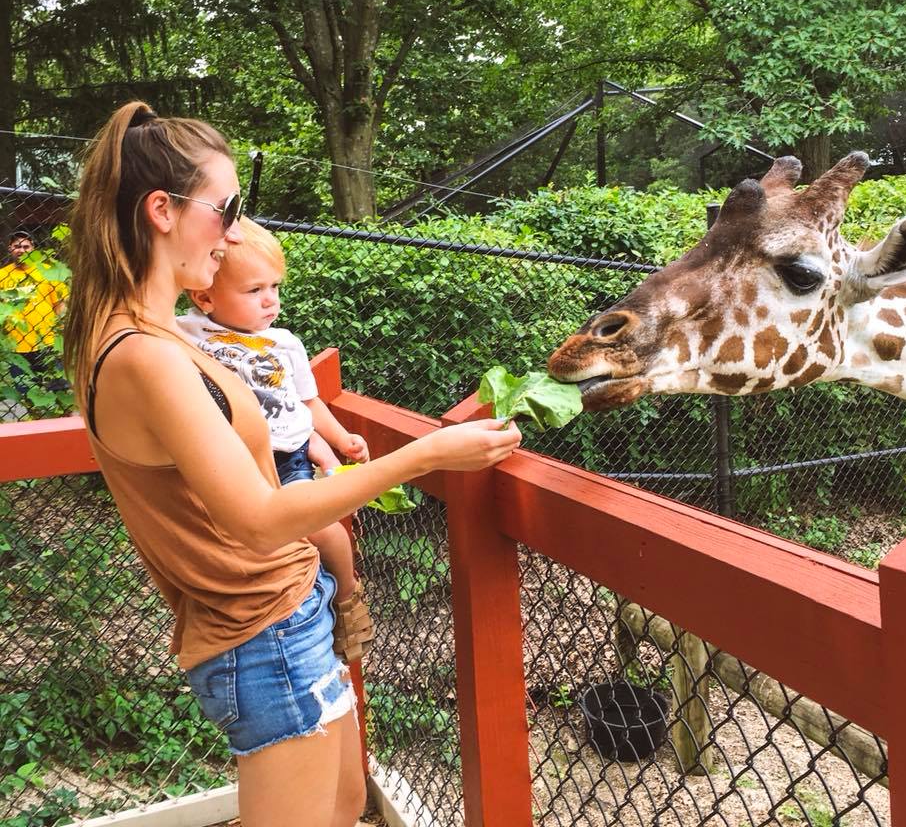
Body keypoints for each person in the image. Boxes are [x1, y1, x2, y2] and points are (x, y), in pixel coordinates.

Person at [62, 101, 521, 827]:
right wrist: (425, 455)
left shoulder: (155, 335)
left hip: (292, 612)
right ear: (161, 210)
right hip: (262, 631)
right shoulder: (146, 356)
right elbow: (259, 519)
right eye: (228, 206)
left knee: (344, 807)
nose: (236, 232)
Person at [176, 216, 374, 662]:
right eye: (253, 290)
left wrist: (343, 441)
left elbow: (309, 403)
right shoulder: (186, 332)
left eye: (275, 287)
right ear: (204, 295)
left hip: (286, 457)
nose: (271, 301)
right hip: (231, 462)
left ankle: (347, 597)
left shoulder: (285, 344)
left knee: (327, 531)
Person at [0, 229, 70, 399]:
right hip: (17, 345)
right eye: (17, 246)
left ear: (33, 249)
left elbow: (60, 305)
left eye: (26, 246)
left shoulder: (48, 271)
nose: (21, 250)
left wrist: (60, 336)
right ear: (10, 248)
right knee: (25, 394)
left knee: (56, 391)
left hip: (47, 342)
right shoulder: (2, 275)